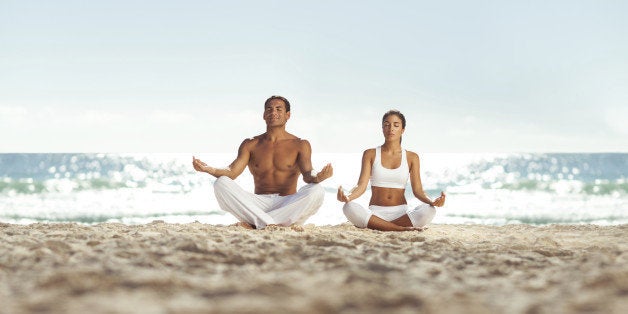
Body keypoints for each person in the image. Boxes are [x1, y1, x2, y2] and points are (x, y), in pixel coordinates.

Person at [193, 95, 333, 229]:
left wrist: (318, 177)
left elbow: (308, 173)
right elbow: (232, 172)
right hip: (258, 204)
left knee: (317, 191)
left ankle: (258, 223)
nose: (273, 112)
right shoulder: (250, 144)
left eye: (279, 109)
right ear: (264, 115)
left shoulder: (300, 144)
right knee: (221, 183)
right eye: (269, 109)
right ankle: (272, 223)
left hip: (287, 203)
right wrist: (210, 169)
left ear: (287, 115)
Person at [337, 110, 445, 231]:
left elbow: (418, 191)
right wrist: (348, 198)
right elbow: (361, 186)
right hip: (375, 212)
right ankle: (400, 229)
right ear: (382, 128)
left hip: (401, 213)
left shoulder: (412, 157)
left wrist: (432, 202)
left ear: (403, 130)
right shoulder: (370, 154)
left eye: (396, 125)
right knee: (348, 207)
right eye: (387, 125)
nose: (391, 128)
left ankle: (380, 226)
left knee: (429, 210)